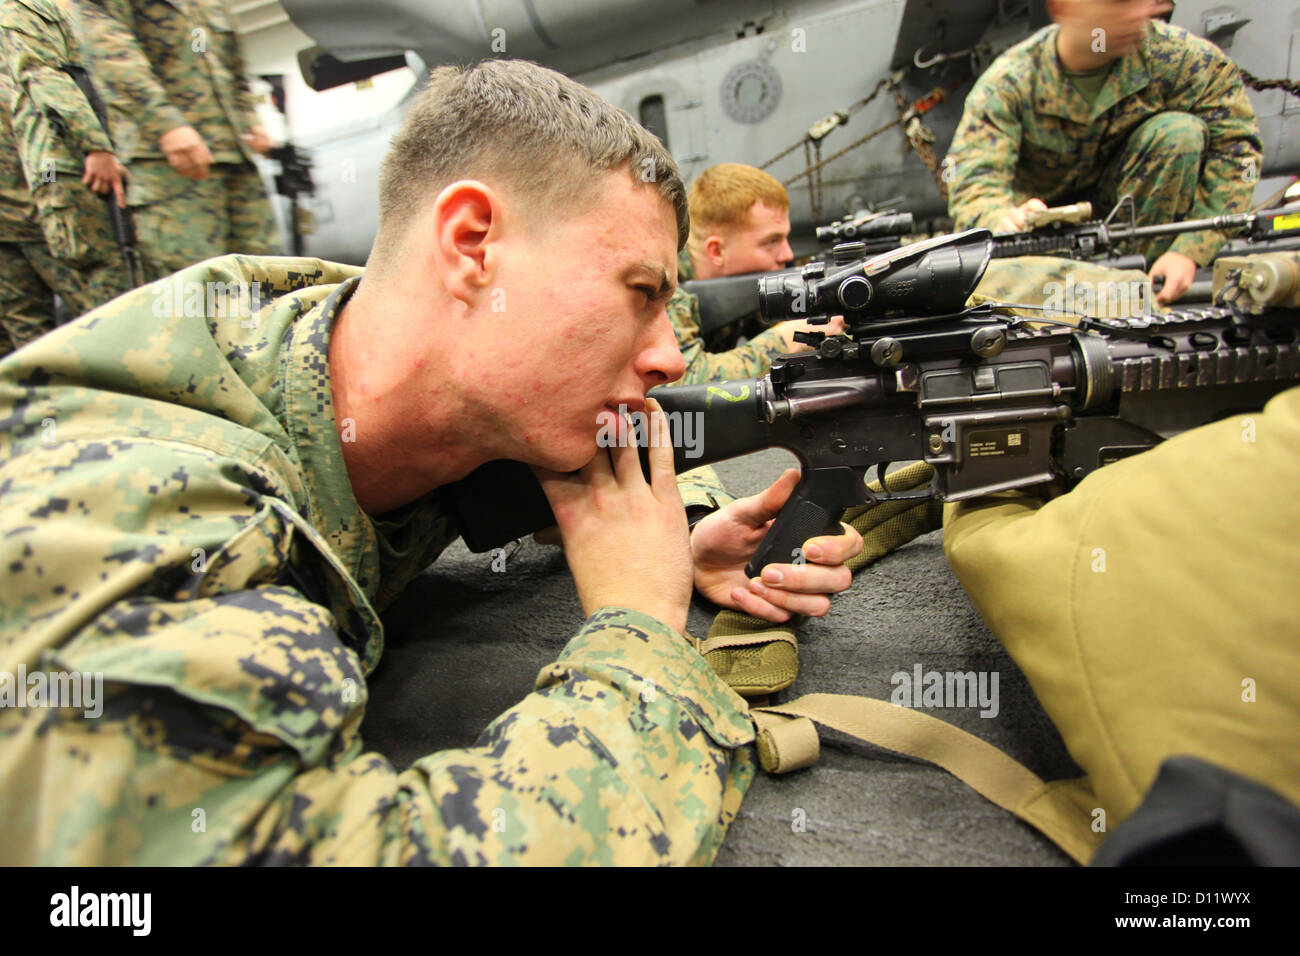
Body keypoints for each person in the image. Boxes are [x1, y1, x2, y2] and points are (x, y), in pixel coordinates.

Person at [0, 59, 864, 865]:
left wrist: (677, 537)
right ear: (471, 242)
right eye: (641, 295)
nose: (670, 357)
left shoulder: (374, 350)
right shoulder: (163, 505)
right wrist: (639, 635)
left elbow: (534, 444)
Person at [945, 0, 1262, 306]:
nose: (1137, 13)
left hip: (1138, 229)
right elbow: (974, 183)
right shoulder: (1010, 82)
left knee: (1179, 134)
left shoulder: (1182, 59)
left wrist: (1189, 251)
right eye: (1117, 2)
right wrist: (1002, 220)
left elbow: (1237, 150)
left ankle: (1142, 295)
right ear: (1062, 7)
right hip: (1041, 244)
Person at [76, 0, 280, 277]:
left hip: (233, 156)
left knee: (269, 276)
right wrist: (166, 126)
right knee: (198, 288)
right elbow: (113, 58)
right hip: (168, 167)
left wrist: (250, 120)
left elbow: (232, 65)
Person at [0, 0, 131, 342]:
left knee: (35, 330)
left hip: (36, 202)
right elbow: (46, 79)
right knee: (102, 313)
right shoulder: (26, 15)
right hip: (41, 202)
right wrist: (95, 144)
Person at [669, 162, 841, 384]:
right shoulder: (664, 283)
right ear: (717, 251)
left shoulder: (744, 285)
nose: (787, 254)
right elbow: (683, 381)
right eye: (771, 241)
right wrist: (786, 339)